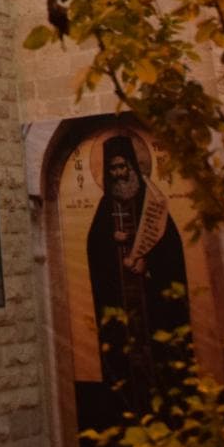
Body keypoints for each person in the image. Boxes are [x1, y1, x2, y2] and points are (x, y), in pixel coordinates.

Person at [86, 132, 190, 416]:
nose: (118, 174)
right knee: (123, 351)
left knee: (159, 349)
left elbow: (171, 249)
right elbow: (94, 249)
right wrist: (112, 240)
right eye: (112, 168)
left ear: (133, 166)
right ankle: (127, 409)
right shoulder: (106, 206)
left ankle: (169, 405)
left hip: (152, 298)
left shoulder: (151, 202)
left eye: (122, 166)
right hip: (120, 297)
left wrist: (148, 262)